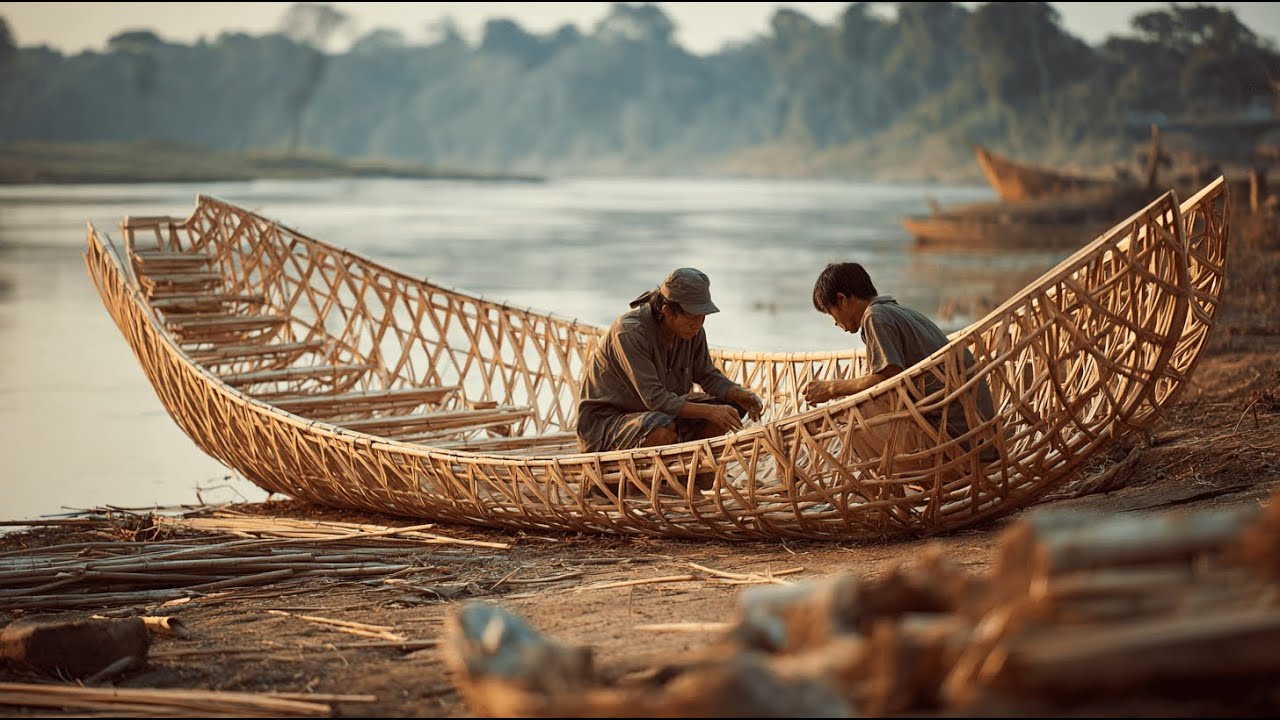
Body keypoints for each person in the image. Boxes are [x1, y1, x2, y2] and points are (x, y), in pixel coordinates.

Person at [802, 262, 996, 466]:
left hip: (955, 439)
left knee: (850, 413)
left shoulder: (875, 318)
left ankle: (881, 484)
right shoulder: (897, 311)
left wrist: (833, 388)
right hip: (977, 432)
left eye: (830, 312)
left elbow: (888, 378)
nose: (834, 322)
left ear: (842, 300)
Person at [576, 267, 764, 453]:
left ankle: (696, 474)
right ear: (667, 311)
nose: (698, 325)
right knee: (660, 427)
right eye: (692, 317)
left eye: (703, 317)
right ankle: (647, 479)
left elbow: (707, 375)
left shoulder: (693, 332)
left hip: (661, 414)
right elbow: (655, 399)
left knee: (731, 408)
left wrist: (739, 394)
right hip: (606, 425)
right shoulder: (630, 332)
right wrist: (710, 411)